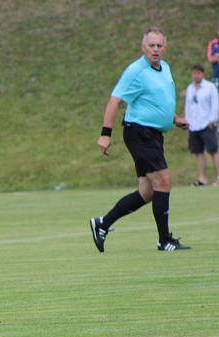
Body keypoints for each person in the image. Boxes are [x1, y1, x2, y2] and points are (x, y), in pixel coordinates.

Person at [90, 27, 190, 252]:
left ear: (165, 47)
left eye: (159, 45)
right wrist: (105, 135)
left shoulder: (166, 68)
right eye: (151, 45)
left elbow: (156, 101)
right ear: (142, 47)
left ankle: (102, 224)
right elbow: (114, 101)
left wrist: (174, 119)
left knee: (147, 192)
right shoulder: (135, 71)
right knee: (163, 182)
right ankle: (164, 241)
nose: (155, 49)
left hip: (153, 134)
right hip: (139, 133)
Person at [184, 64, 219, 186]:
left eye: (198, 73)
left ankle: (218, 178)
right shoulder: (190, 88)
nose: (196, 75)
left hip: (207, 124)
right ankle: (202, 178)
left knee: (213, 151)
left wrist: (213, 120)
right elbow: (188, 107)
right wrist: (187, 122)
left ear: (202, 74)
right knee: (198, 152)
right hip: (194, 125)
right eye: (194, 73)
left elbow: (215, 105)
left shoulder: (210, 87)